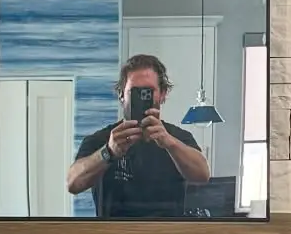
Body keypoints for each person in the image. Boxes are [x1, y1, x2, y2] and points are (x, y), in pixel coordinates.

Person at [67, 53, 212, 219]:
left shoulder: (178, 138)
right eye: (134, 92)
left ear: (163, 94)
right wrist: (108, 152)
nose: (142, 98)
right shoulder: (101, 139)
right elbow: (73, 184)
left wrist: (170, 144)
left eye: (148, 91)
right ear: (121, 94)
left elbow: (203, 175)